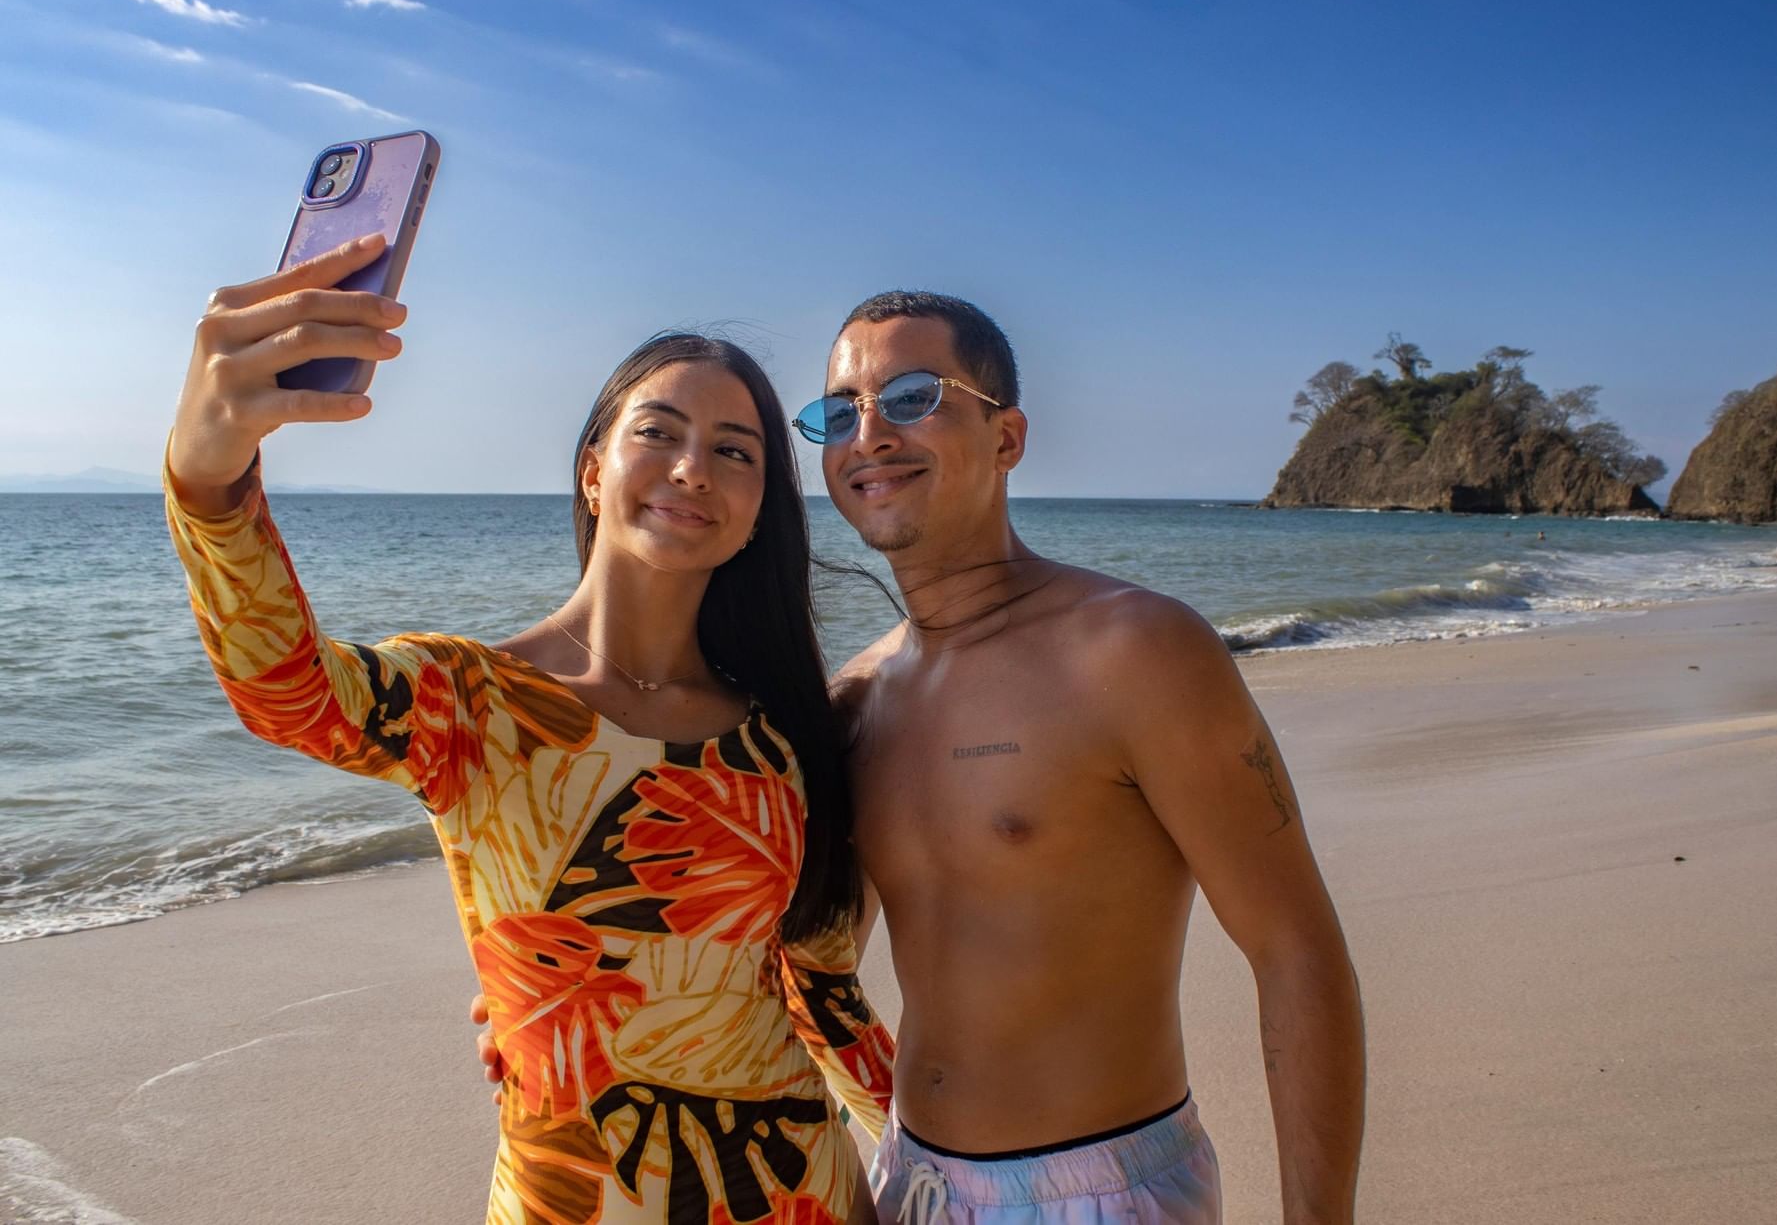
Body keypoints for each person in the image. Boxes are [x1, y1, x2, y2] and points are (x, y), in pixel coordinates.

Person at [484, 291, 1367, 1223]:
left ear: (1006, 436)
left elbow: (1295, 949)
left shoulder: (1133, 652)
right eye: (839, 410)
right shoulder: (852, 706)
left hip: (1098, 1190)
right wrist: (546, 1003)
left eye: (911, 397)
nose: (868, 434)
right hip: (905, 1181)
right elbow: (783, 968)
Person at [165, 234, 894, 1225]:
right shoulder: (478, 701)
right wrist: (208, 479)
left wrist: (944, 1170)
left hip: (797, 1192)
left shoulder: (781, 737)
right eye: (659, 433)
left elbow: (819, 995)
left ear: (758, 507)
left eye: (733, 451)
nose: (691, 469)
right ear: (594, 471)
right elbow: (288, 689)